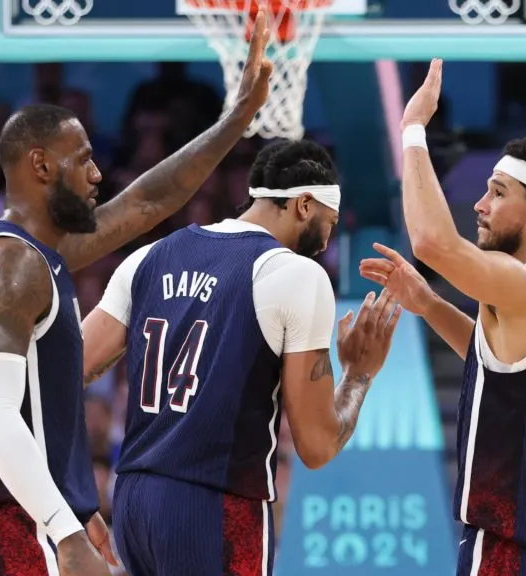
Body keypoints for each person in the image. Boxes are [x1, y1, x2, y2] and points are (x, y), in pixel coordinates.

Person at [0, 14, 275, 576]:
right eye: (83, 159)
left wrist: (237, 116)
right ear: (41, 164)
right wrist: (64, 532)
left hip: (30, 515)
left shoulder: (40, 253)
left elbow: (149, 201)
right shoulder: (6, 265)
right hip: (5, 524)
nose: (97, 174)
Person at [80, 139, 401, 575]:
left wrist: (72, 492)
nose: (326, 241)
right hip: (215, 506)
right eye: (330, 222)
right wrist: (359, 375)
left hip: (134, 501)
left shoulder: (149, 257)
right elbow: (317, 444)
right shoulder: (296, 275)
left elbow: (62, 375)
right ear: (304, 204)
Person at [359, 59, 526, 575]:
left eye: (497, 192)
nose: (480, 204)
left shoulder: (525, 286)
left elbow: (432, 242)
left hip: (513, 539)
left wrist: (412, 132)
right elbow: (503, 363)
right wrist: (428, 303)